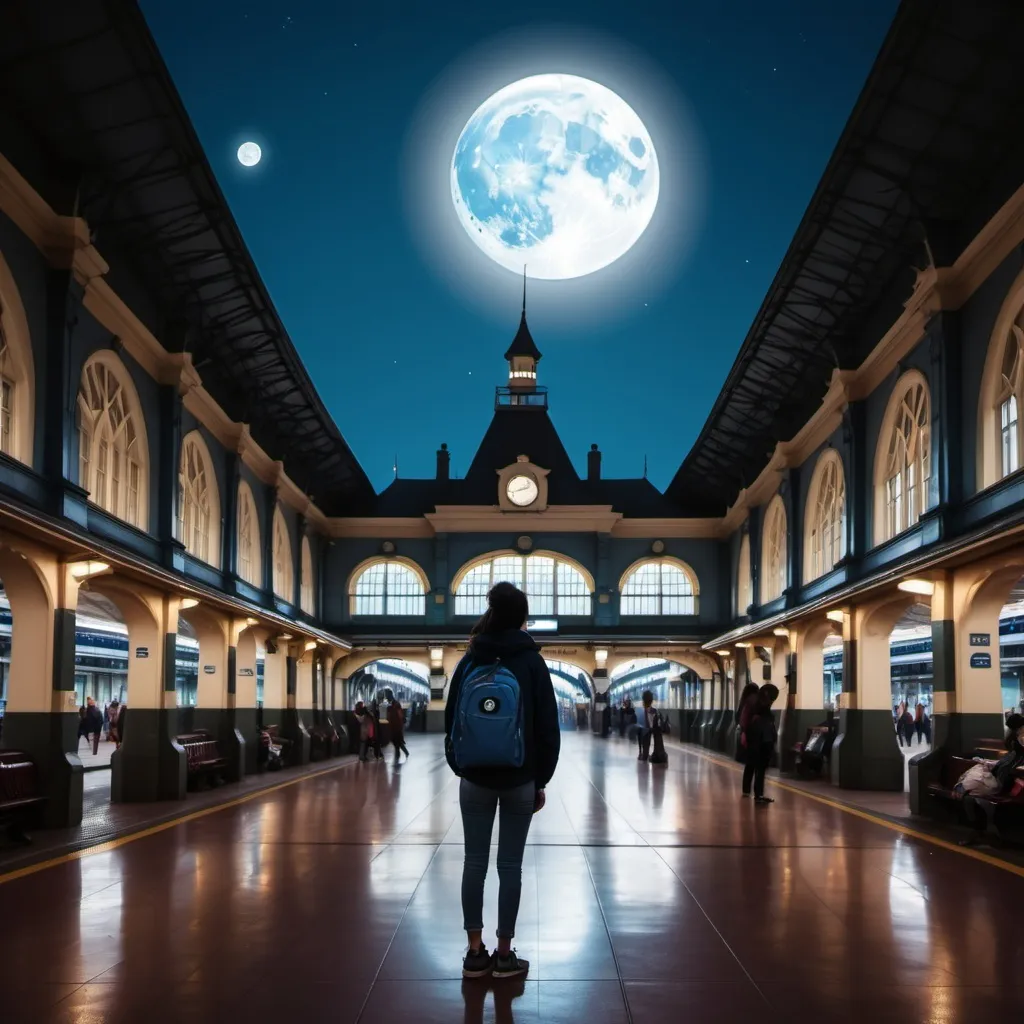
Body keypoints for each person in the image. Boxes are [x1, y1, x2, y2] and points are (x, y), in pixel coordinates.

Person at [445, 581, 560, 982]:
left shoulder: (471, 657)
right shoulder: (532, 662)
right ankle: (506, 955)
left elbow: (449, 718)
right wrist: (539, 780)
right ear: (523, 616)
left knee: (473, 862)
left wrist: (461, 766)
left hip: (474, 778)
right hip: (519, 779)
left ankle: (475, 955)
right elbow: (548, 727)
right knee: (510, 864)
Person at [744, 683, 780, 805]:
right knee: (761, 767)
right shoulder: (763, 710)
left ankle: (748, 791)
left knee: (752, 765)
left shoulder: (753, 703)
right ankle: (758, 794)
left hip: (755, 739)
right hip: (763, 740)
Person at [737, 682, 760, 771]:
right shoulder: (757, 700)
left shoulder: (744, 701)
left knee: (749, 766)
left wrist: (743, 731)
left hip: (747, 733)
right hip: (757, 733)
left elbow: (740, 717)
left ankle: (746, 784)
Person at [385, 690, 409, 764]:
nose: (386, 697)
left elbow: (400, 715)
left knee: (397, 742)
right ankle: (404, 753)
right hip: (393, 727)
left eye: (387, 695)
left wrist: (401, 722)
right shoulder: (390, 705)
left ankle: (398, 756)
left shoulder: (396, 704)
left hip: (397, 726)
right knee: (397, 742)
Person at [637, 690, 657, 761]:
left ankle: (642, 753)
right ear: (651, 700)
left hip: (643, 729)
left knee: (642, 740)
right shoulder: (653, 710)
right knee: (646, 742)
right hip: (648, 729)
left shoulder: (640, 710)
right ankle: (644, 753)